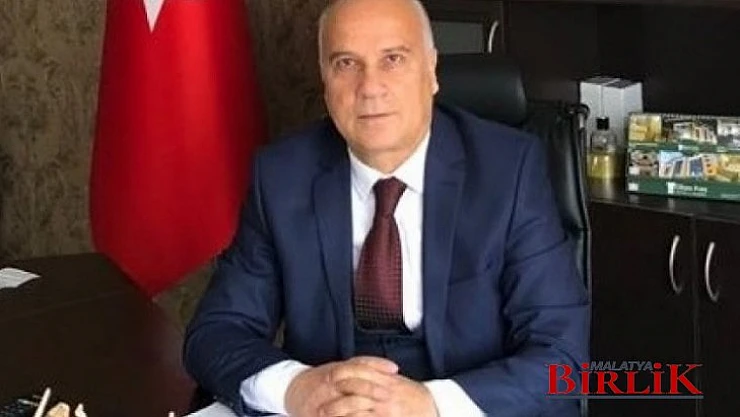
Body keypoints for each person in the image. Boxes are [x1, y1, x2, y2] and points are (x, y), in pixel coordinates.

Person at [183, 0, 589, 416]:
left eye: (393, 59)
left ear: (431, 70)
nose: (370, 87)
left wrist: (430, 405)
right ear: (324, 78)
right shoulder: (282, 176)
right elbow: (216, 332)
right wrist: (299, 389)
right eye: (346, 63)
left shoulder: (509, 171)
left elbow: (562, 357)